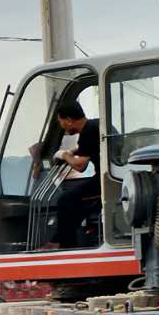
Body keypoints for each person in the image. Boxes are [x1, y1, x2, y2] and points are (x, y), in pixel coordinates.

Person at [52, 96, 102, 247]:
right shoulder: (95, 125)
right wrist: (73, 151)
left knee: (65, 200)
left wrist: (64, 155)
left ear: (68, 120)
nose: (62, 126)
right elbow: (89, 148)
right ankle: (61, 239)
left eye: (61, 122)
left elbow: (81, 166)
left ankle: (66, 246)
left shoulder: (87, 132)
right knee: (75, 202)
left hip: (103, 180)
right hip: (111, 177)